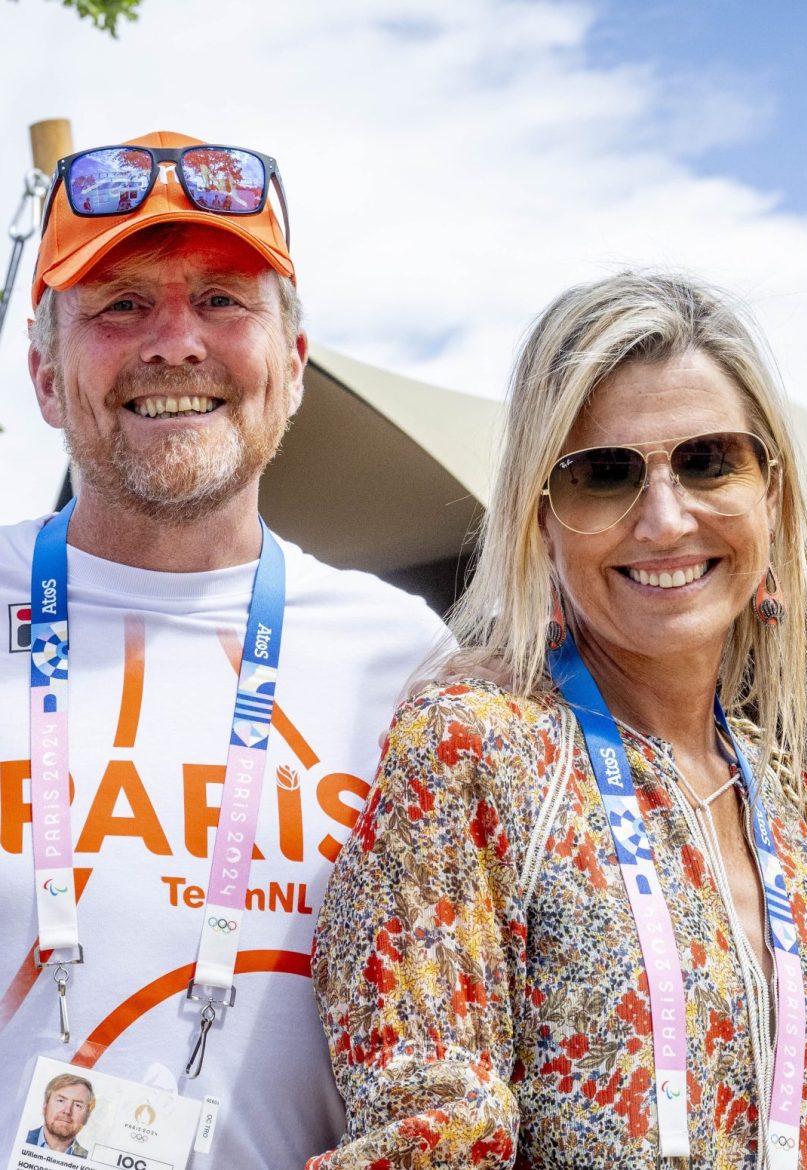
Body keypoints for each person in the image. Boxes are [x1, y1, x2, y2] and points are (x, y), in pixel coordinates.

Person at [310, 272, 807, 1168]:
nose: (666, 517)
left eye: (710, 460)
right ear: (540, 517)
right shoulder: (475, 750)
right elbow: (429, 1145)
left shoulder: (778, 797)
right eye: (603, 475)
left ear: (773, 491)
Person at [0, 131, 450, 1168]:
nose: (173, 342)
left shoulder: (406, 665)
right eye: (118, 304)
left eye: (222, 299)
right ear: (44, 377)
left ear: (290, 368)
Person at [25, 1072, 94, 1157]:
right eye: (60, 1101)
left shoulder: (88, 1159)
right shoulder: (20, 1139)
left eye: (77, 1105)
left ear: (86, 1117)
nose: (67, 1111)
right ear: (45, 1106)